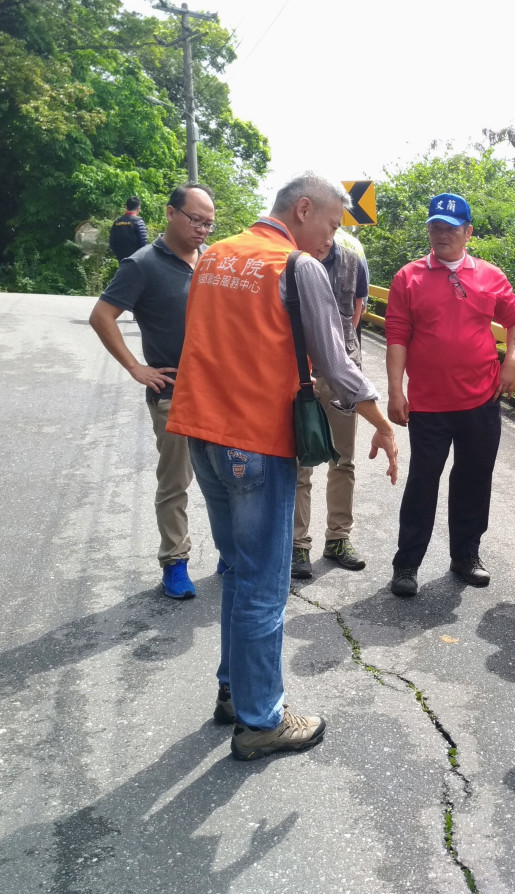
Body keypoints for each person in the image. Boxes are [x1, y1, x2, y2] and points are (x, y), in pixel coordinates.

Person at [166, 173, 399, 761]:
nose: (332, 240)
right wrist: (382, 421)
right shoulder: (297, 268)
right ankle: (260, 719)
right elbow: (337, 364)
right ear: (302, 211)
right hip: (255, 444)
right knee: (264, 584)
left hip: (202, 433)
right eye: (330, 225)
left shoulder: (214, 256)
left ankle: (233, 692)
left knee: (239, 572)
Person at [385, 192, 515, 597]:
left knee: (474, 478)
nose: (441, 234)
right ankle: (407, 563)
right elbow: (397, 336)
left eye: (450, 228)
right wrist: (396, 390)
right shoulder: (408, 277)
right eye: (435, 227)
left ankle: (466, 555)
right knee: (423, 481)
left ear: (468, 232)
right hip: (428, 404)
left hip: (481, 400)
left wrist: (511, 360)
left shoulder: (490, 276)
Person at [90, 184, 216, 599]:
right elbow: (102, 315)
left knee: (225, 479)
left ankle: (229, 556)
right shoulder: (142, 264)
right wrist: (135, 367)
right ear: (170, 213)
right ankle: (175, 563)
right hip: (173, 392)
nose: (202, 229)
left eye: (208, 223)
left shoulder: (212, 261)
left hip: (218, 392)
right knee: (175, 482)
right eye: (195, 219)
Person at [290, 230, 371, 578]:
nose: (324, 238)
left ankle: (338, 538)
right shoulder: (290, 261)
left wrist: (337, 355)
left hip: (342, 375)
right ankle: (297, 544)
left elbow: (357, 309)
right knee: (298, 462)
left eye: (331, 228)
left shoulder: (352, 261)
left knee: (344, 460)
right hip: (297, 374)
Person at [109, 196, 149, 263]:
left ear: (126, 207)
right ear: (138, 208)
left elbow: (112, 243)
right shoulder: (139, 222)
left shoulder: (117, 222)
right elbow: (143, 244)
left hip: (121, 260)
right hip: (136, 261)